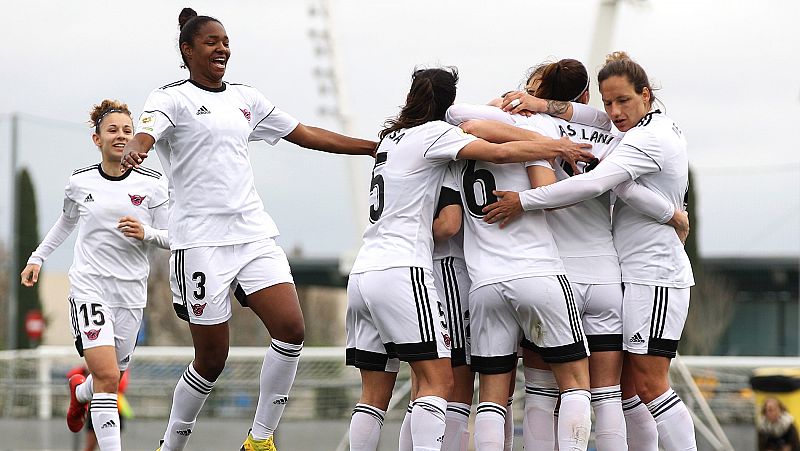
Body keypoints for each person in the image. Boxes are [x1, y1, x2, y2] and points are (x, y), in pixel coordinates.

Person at [120, 8, 379, 451]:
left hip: (254, 235)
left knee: (292, 330)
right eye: (211, 42)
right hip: (199, 245)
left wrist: (374, 147)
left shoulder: (247, 98)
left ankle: (259, 441)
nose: (222, 49)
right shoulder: (170, 98)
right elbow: (145, 135)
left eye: (225, 41)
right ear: (187, 50)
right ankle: (171, 445)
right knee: (211, 360)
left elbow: (305, 133)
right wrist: (137, 150)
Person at [345, 66, 595, 451]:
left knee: (384, 396)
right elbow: (489, 180)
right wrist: (554, 145)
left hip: (390, 272)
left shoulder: (392, 140)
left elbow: (474, 126)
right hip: (471, 270)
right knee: (443, 385)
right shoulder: (442, 137)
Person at [483, 51, 697, 451]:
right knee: (619, 392)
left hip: (647, 275)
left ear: (646, 94)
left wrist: (524, 200)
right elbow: (610, 158)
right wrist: (673, 213)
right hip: (614, 276)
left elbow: (594, 184)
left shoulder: (645, 138)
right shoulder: (630, 130)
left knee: (639, 388)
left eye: (623, 101)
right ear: (589, 96)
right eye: (607, 101)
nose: (614, 111)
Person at [20, 100, 169, 451]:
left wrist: (146, 232)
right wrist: (37, 258)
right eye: (113, 130)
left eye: (128, 131)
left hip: (131, 293)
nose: (121, 136)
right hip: (90, 287)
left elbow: (173, 235)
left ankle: (78, 391)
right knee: (106, 375)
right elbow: (65, 223)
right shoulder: (79, 182)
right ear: (97, 139)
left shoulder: (154, 184)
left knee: (109, 378)